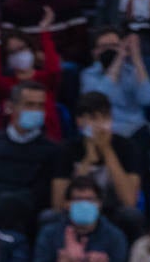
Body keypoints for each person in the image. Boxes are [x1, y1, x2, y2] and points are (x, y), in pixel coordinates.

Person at [0, 80, 61, 237]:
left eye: (40, 106)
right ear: (10, 107)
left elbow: (40, 197)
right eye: (29, 105)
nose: (36, 111)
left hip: (22, 222)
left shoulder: (52, 151)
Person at [48, 90, 144, 238]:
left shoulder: (127, 147)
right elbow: (59, 204)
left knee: (131, 216)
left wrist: (107, 151)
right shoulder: (66, 150)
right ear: (80, 121)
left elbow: (129, 200)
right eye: (93, 118)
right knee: (49, 217)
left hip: (111, 211)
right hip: (76, 211)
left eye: (105, 117)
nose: (100, 125)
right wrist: (87, 163)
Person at [0, 11, 64, 140]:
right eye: (12, 52)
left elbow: (54, 69)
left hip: (48, 141)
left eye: (22, 48)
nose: (19, 54)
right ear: (7, 59)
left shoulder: (46, 79)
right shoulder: (7, 85)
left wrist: (45, 31)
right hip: (11, 143)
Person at [79, 27, 150, 160]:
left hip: (134, 129)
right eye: (104, 47)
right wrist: (118, 60)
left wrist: (137, 59)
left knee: (142, 143)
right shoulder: (88, 75)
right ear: (95, 52)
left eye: (115, 46)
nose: (110, 50)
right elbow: (99, 100)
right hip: (101, 129)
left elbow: (147, 99)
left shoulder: (132, 71)